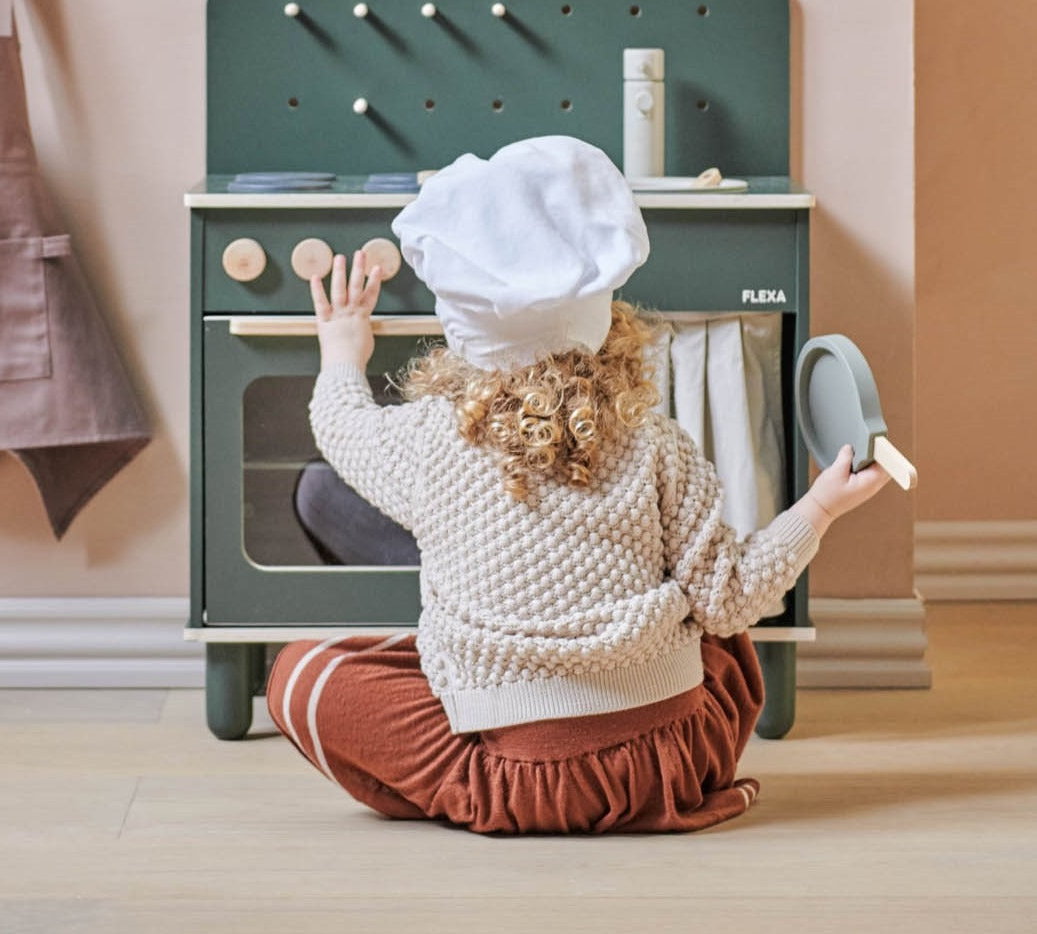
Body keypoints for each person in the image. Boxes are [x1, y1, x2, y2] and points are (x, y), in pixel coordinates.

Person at [266, 136, 894, 835]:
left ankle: (469, 787)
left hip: (517, 774)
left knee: (298, 675)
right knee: (716, 626)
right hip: (671, 758)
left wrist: (341, 351)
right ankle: (625, 765)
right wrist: (820, 505)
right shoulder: (656, 442)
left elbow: (341, 425)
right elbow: (730, 598)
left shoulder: (428, 438)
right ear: (602, 315)